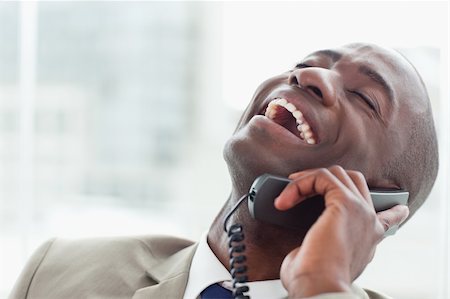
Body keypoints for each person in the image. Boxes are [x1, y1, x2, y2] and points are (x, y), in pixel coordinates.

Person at [9, 43, 438, 299]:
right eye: (309, 61)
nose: (310, 75)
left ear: (383, 205)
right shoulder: (58, 272)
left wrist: (320, 284)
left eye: (364, 98)